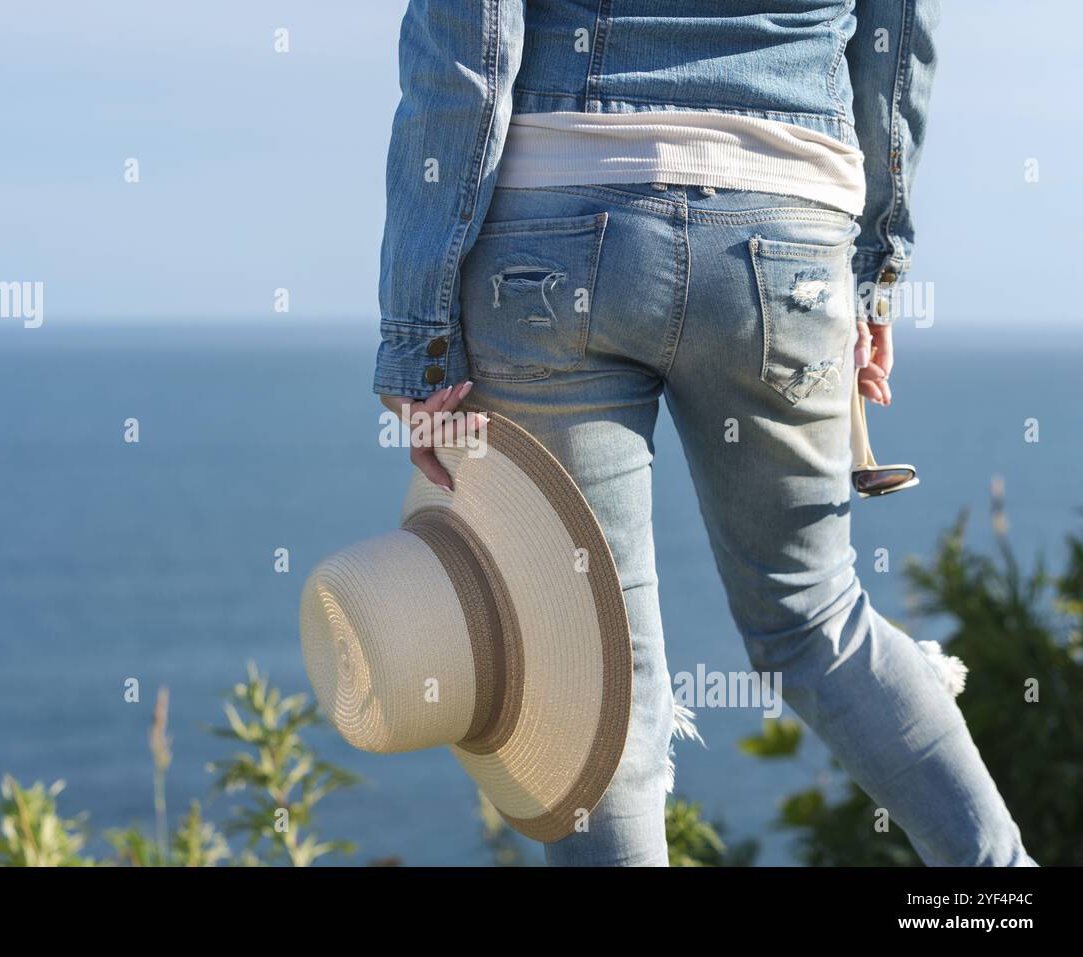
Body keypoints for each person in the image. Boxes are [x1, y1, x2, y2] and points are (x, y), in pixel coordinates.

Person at [374, 0, 1034, 866]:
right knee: (815, 619)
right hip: (786, 229)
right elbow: (900, 28)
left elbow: (467, 35)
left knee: (600, 673)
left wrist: (418, 328)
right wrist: (876, 267)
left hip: (554, 236)